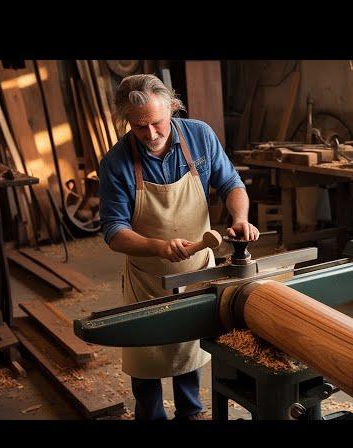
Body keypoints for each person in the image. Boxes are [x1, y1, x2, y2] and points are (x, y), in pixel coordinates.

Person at [98, 74, 259, 420]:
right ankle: (151, 416)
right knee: (146, 355)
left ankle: (190, 413)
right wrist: (157, 246)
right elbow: (113, 231)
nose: (152, 135)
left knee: (189, 348)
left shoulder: (199, 135)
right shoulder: (116, 163)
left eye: (157, 123)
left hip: (197, 269)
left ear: (172, 107)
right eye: (140, 128)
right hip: (147, 277)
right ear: (126, 121)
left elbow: (231, 183)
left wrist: (241, 217)